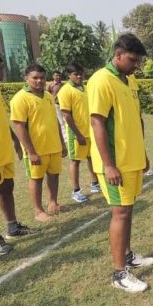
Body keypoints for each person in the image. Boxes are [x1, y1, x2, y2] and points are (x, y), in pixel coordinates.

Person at [87, 33, 153, 293]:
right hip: (116, 163)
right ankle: (119, 274)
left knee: (129, 209)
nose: (136, 65)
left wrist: (143, 153)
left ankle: (127, 256)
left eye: (138, 61)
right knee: (120, 212)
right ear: (117, 55)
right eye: (132, 60)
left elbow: (135, 120)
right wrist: (109, 164)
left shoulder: (130, 80)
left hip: (133, 159)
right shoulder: (101, 80)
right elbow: (97, 122)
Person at [0, 54, 37, 256]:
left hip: (4, 153)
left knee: (7, 187)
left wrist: (14, 138)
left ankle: (12, 226)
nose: (3, 71)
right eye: (0, 67)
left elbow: (0, 118)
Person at [10, 64, 67, 222]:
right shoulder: (20, 99)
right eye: (35, 77)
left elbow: (55, 121)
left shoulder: (48, 96)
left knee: (54, 175)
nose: (39, 80)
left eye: (42, 77)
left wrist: (62, 143)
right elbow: (19, 127)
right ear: (26, 78)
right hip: (36, 149)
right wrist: (31, 152)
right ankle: (38, 210)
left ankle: (53, 204)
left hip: (53, 146)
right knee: (36, 178)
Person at [57, 63, 101, 203]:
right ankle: (76, 191)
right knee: (75, 161)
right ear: (69, 75)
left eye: (81, 73)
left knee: (91, 158)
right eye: (76, 74)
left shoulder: (85, 88)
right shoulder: (65, 91)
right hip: (76, 134)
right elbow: (66, 115)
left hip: (90, 131)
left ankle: (95, 184)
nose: (79, 76)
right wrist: (78, 134)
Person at [47, 70, 66, 139]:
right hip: (56, 105)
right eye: (56, 75)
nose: (58, 77)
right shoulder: (50, 85)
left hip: (64, 105)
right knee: (60, 121)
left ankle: (66, 134)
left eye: (59, 75)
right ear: (53, 76)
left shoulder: (63, 85)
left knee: (66, 120)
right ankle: (64, 137)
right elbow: (47, 95)